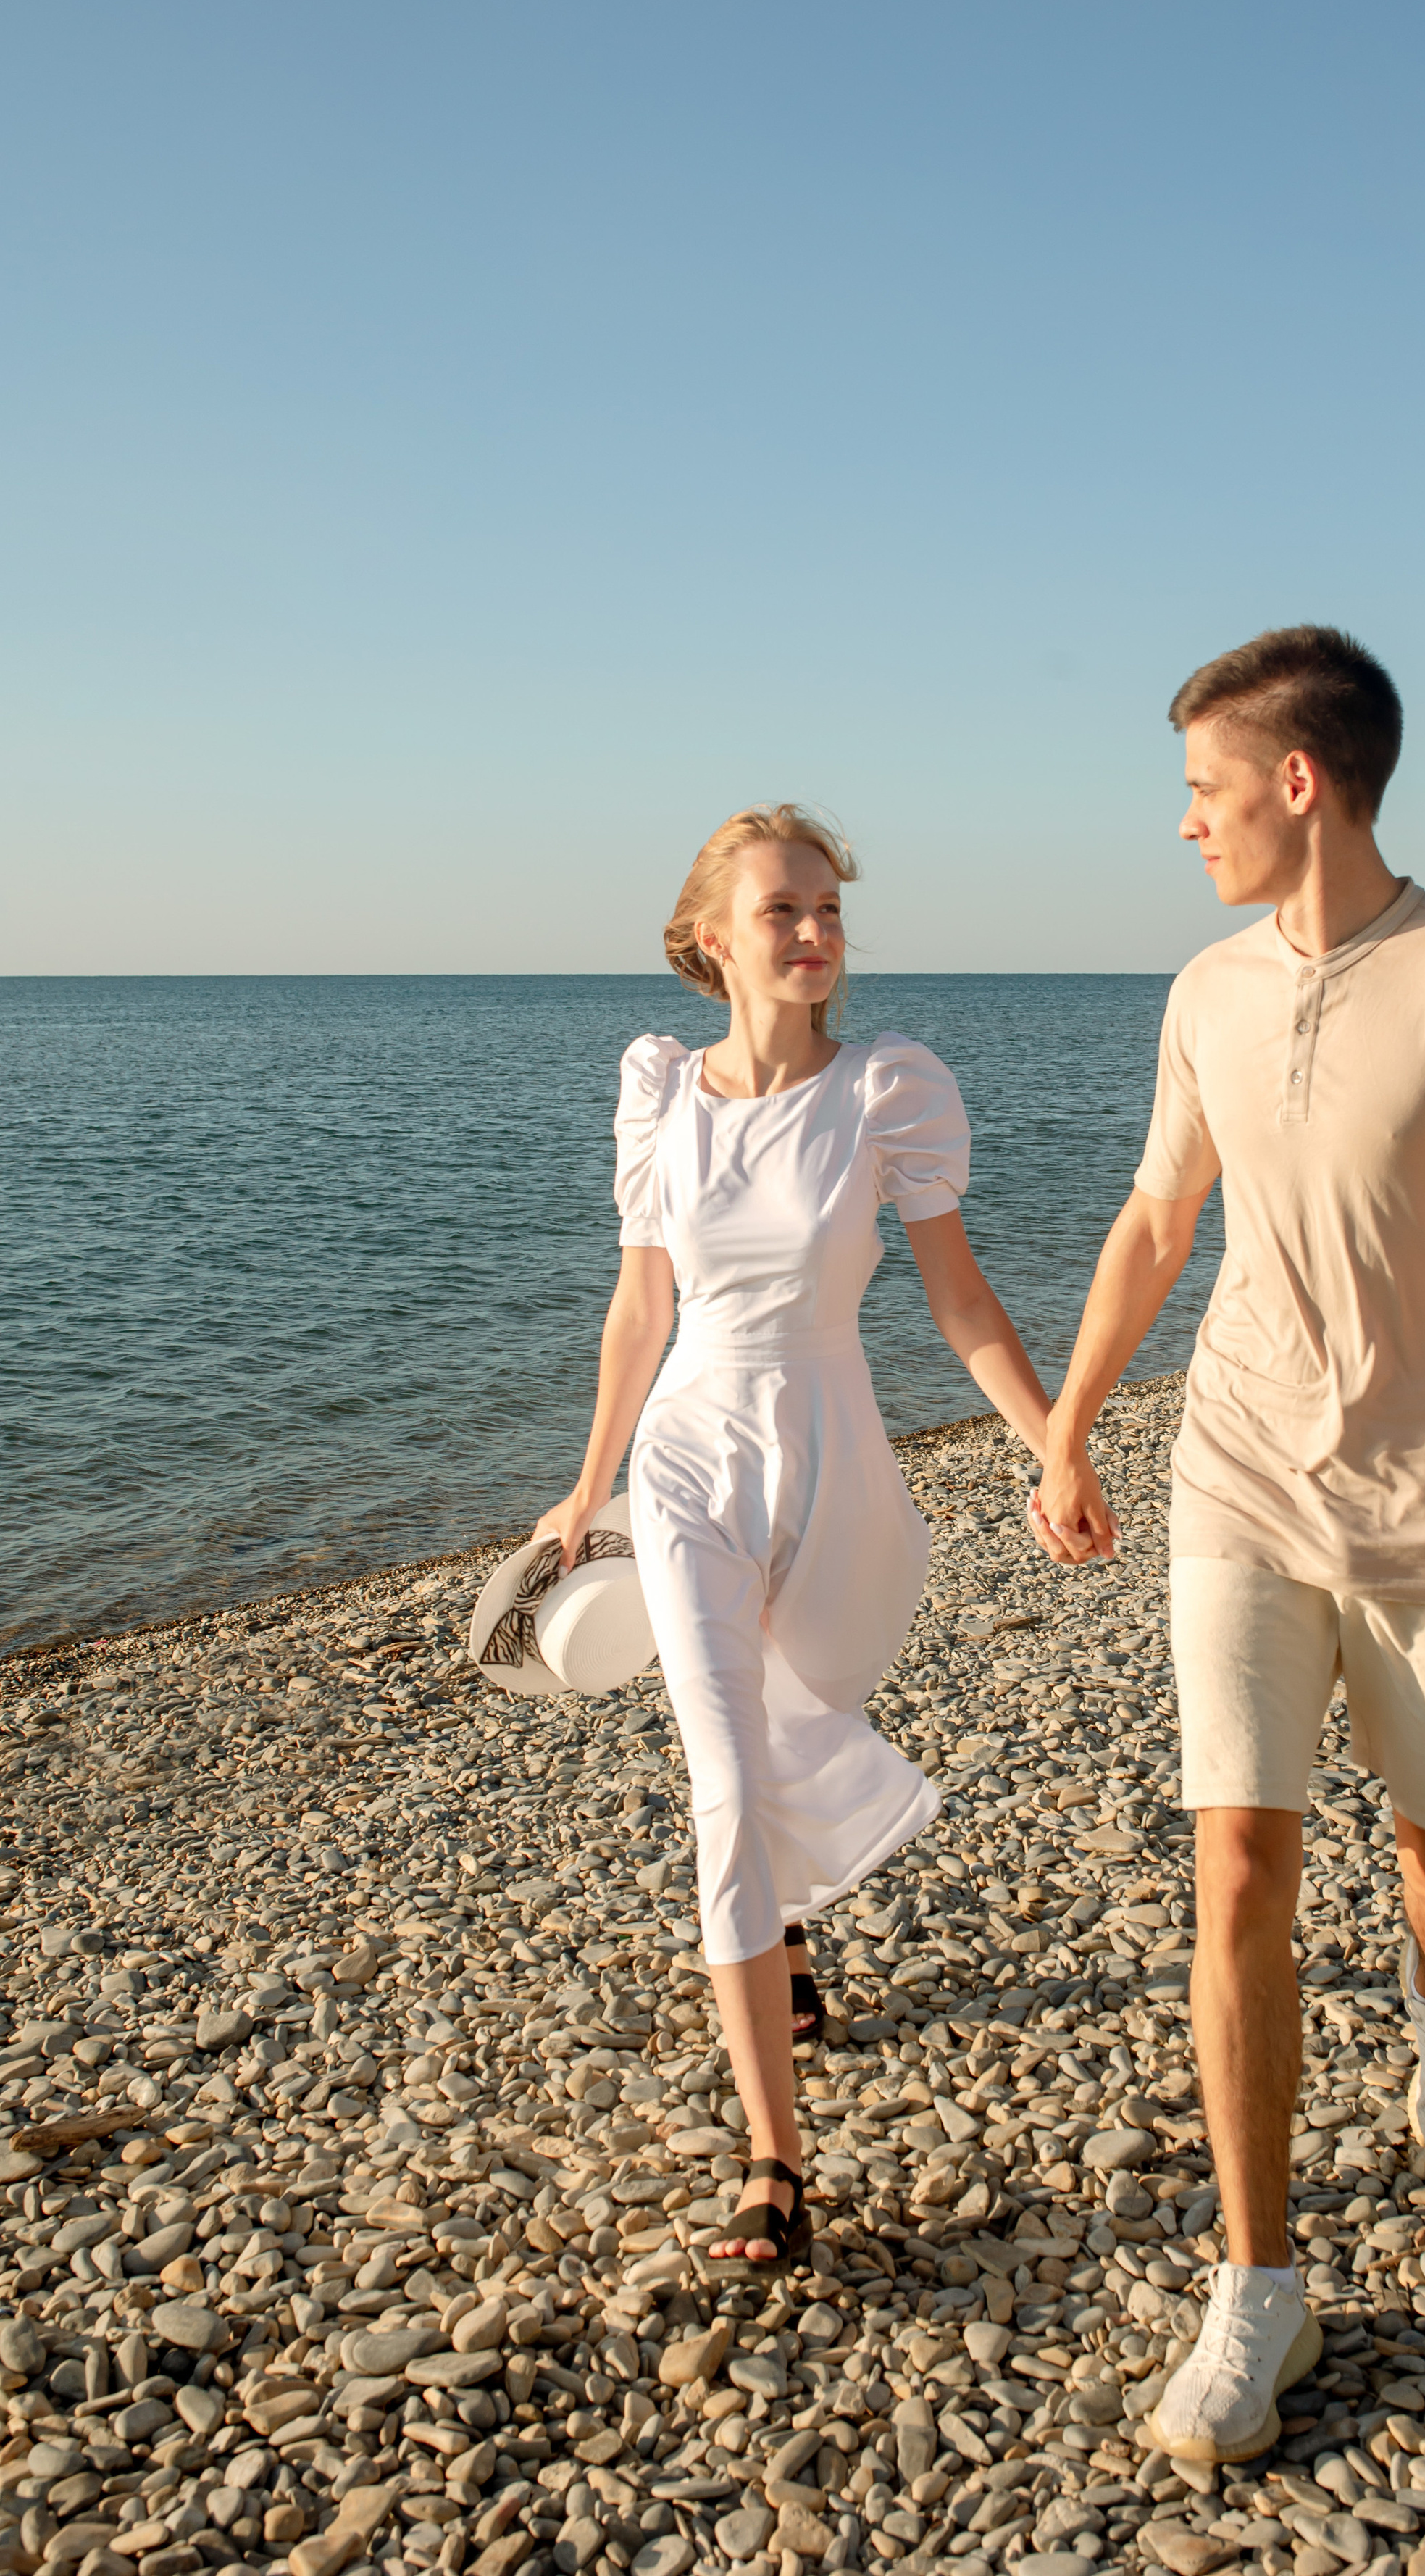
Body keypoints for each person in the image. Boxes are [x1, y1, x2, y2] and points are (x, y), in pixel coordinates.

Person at [1029, 628, 1425, 2462]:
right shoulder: (1205, 988)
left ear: (1295, 782)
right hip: (1239, 1473)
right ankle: (1259, 2283)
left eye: (1202, 789)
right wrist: (1069, 1420)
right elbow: (1159, 1217)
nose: (1185, 823)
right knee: (1236, 1857)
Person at [538, 803, 1050, 2268]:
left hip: (833, 1454)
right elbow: (641, 1307)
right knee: (723, 1777)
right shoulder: (660, 1091)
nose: (815, 932)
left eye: (827, 909)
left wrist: (1053, 1443)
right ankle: (775, 2158)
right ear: (713, 937)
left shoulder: (884, 1092)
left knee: (799, 1714)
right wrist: (587, 1486)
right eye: (782, 910)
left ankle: (789, 1927)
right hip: (688, 1455)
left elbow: (957, 1296)